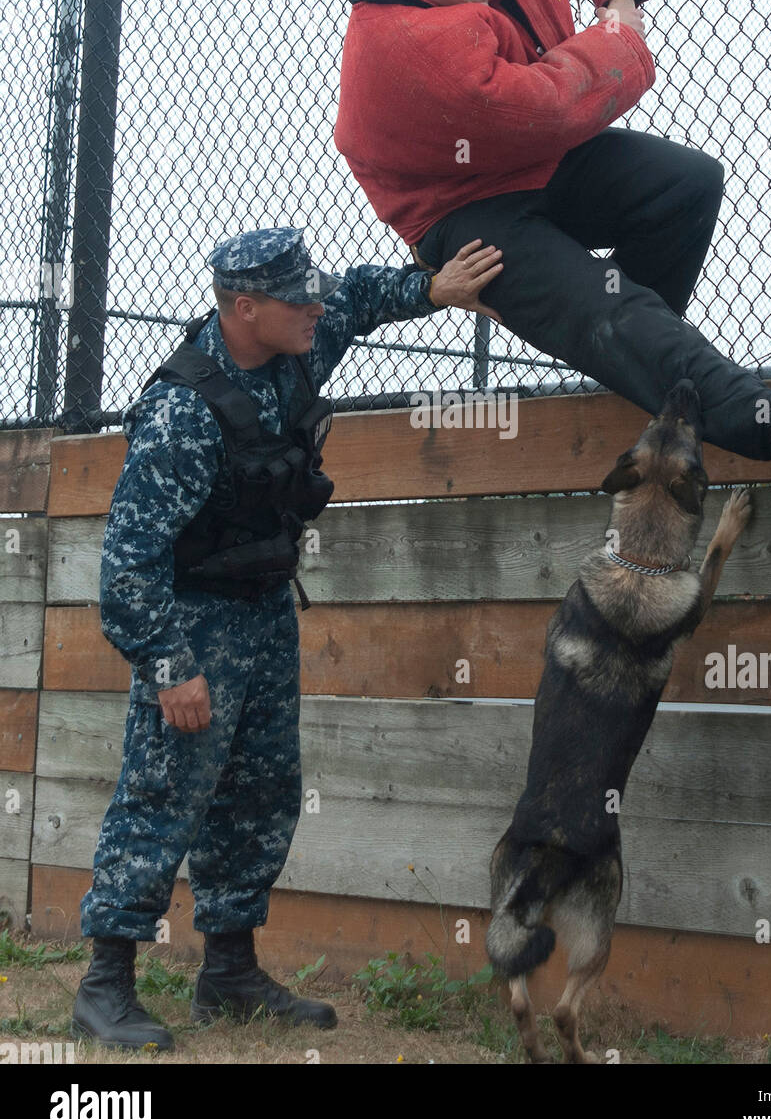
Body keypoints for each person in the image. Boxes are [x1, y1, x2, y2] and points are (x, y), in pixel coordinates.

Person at [72, 226, 502, 1051]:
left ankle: (229, 972)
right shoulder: (183, 414)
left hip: (267, 611)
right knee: (163, 797)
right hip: (191, 624)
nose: (317, 305)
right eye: (298, 297)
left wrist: (432, 289)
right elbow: (126, 568)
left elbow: (362, 297)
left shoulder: (297, 338)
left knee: (262, 791)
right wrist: (171, 668)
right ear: (243, 307)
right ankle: (105, 984)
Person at [333, 0, 771, 466]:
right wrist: (620, 36)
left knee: (685, 181)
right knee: (608, 309)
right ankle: (766, 423)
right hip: (463, 211)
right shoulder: (403, 42)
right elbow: (550, 107)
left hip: (541, 163)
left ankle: (642, 363)